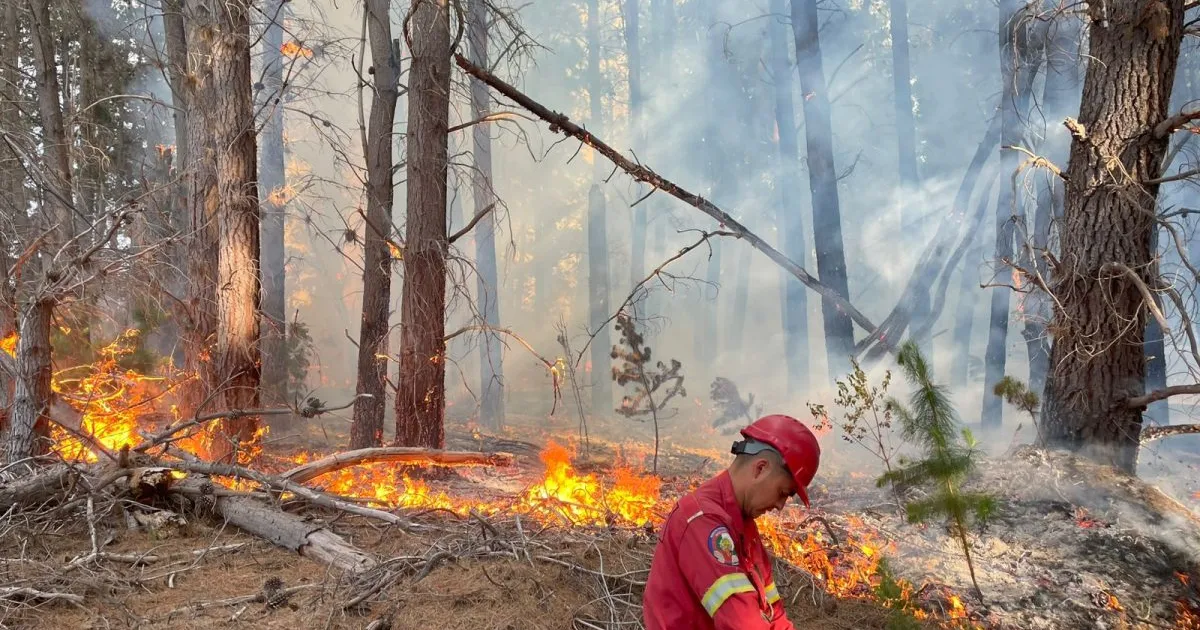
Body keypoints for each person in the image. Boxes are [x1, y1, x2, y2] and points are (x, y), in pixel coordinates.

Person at [642, 414, 821, 630]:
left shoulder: (744, 527)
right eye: (783, 492)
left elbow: (774, 614)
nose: (780, 505)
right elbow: (740, 622)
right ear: (760, 468)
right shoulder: (703, 521)